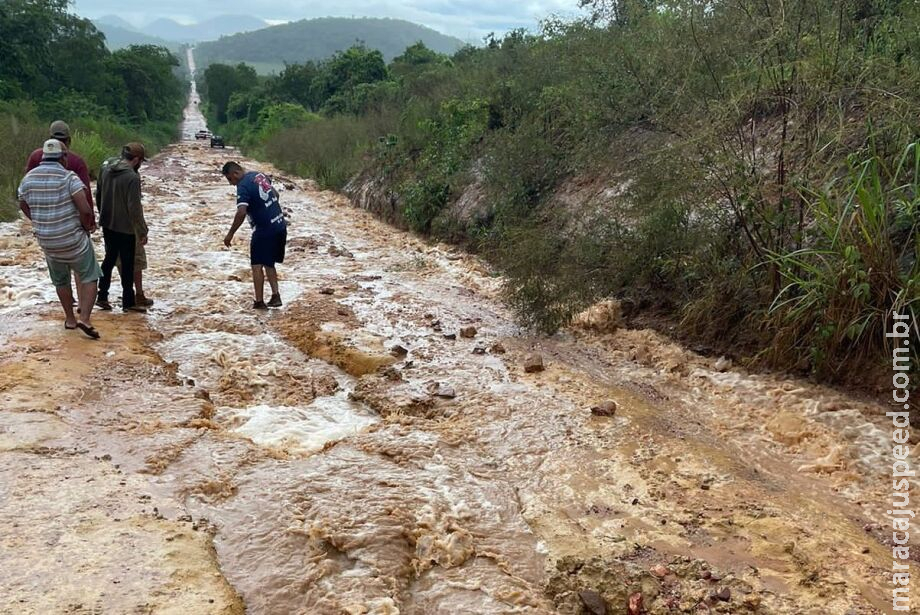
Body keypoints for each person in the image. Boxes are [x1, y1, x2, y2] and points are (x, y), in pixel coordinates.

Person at [17, 139, 101, 339]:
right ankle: (85, 319)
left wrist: (37, 221)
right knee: (89, 276)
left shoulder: (28, 179)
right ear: (63, 158)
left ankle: (70, 320)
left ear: (43, 157)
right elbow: (85, 209)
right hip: (73, 241)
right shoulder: (69, 178)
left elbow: (22, 204)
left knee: (60, 280)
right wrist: (86, 224)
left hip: (48, 242)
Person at [25, 120, 95, 306]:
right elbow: (85, 194)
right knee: (83, 267)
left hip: (47, 226)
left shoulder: (35, 157)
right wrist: (90, 221)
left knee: (59, 272)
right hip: (73, 222)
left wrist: (36, 219)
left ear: (49, 137)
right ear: (69, 140)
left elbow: (25, 192)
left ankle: (69, 312)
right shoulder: (76, 161)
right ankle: (82, 305)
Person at [221, 161, 287, 309]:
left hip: (264, 230)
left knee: (257, 265)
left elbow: (241, 212)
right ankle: (276, 296)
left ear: (236, 173)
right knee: (268, 262)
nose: (231, 184)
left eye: (230, 179)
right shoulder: (259, 175)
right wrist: (269, 210)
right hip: (279, 225)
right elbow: (275, 194)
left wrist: (230, 234)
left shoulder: (242, 186)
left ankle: (259, 302)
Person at [95, 143, 148, 313]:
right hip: (125, 226)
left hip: (107, 222)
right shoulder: (132, 177)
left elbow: (98, 193)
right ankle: (128, 302)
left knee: (109, 259)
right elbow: (134, 208)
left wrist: (102, 213)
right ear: (137, 160)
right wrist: (142, 230)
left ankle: (102, 296)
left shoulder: (106, 168)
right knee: (127, 263)